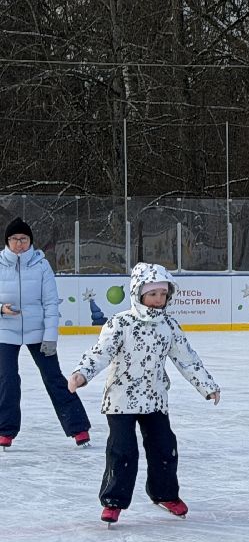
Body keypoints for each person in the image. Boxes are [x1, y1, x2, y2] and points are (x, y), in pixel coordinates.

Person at [67, 263, 219, 524]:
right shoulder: (121, 322)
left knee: (164, 448)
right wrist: (82, 374)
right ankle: (113, 500)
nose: (158, 299)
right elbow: (99, 352)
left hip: (155, 398)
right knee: (123, 451)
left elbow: (187, 360)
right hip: (121, 399)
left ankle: (165, 494)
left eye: (163, 294)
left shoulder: (169, 325)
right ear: (138, 294)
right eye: (153, 294)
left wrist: (207, 386)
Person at [0, 218, 92, 449]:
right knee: (7, 380)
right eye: (14, 239)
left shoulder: (41, 265)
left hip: (38, 331)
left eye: (24, 239)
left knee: (53, 378)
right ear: (7, 242)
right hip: (5, 331)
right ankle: (5, 431)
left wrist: (50, 336)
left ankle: (78, 428)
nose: (19, 243)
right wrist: (1, 309)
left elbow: (51, 303)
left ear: (30, 241)